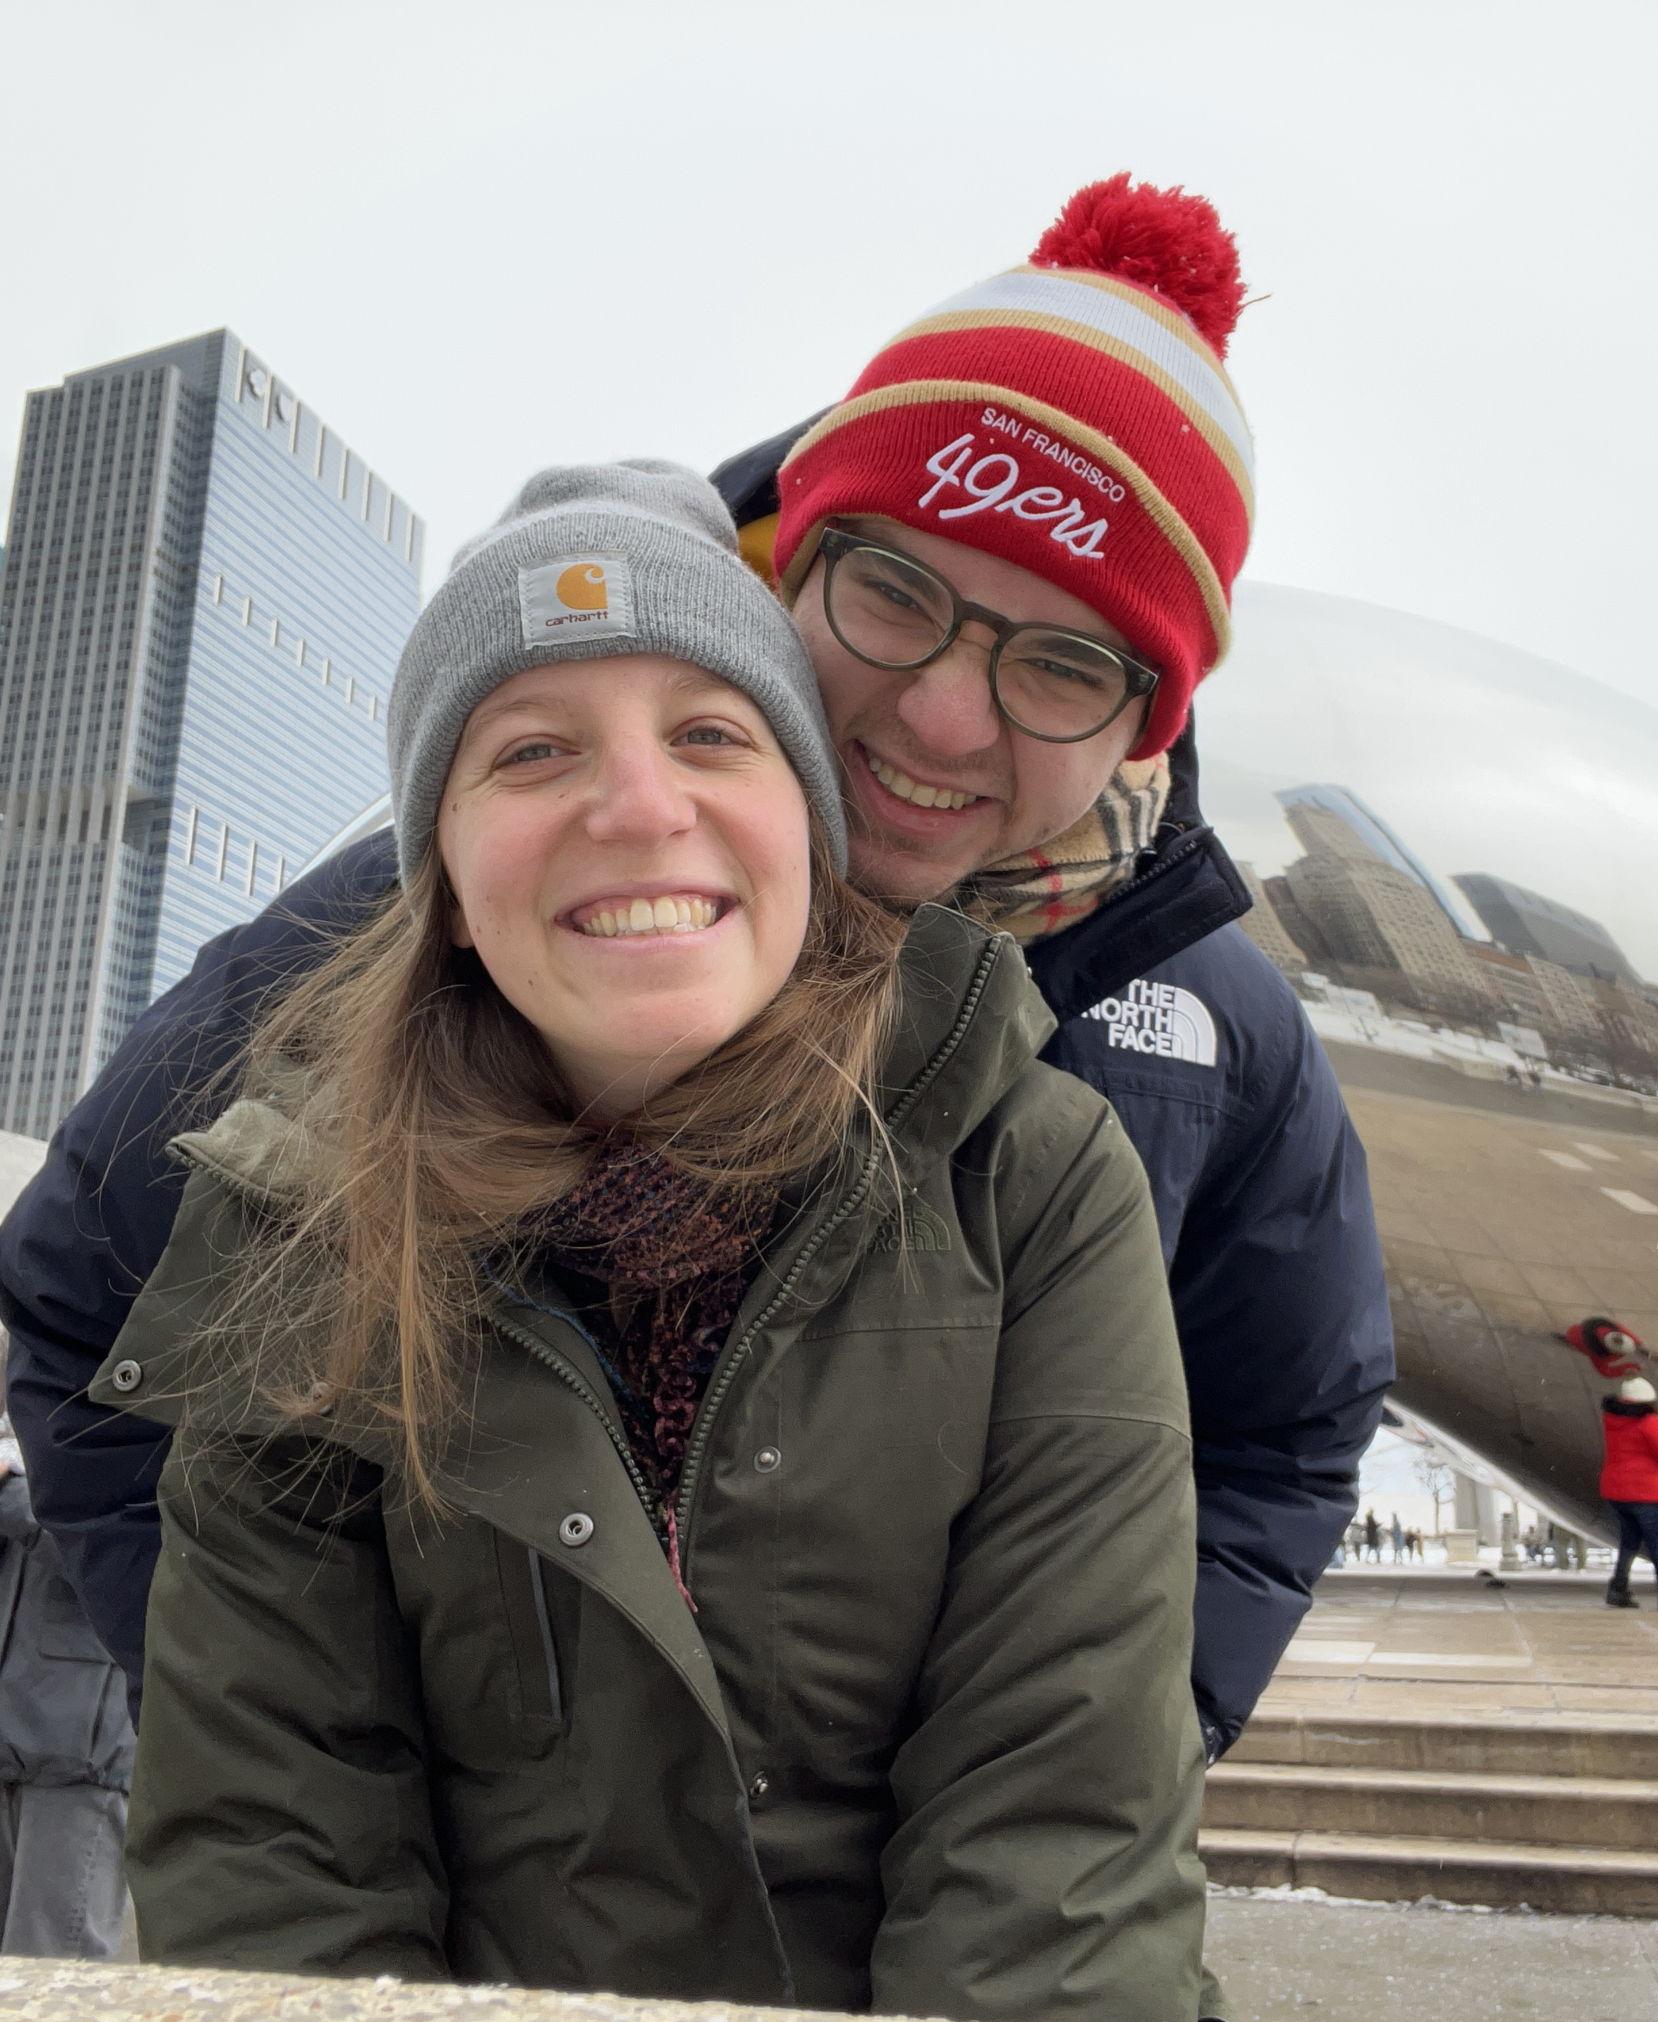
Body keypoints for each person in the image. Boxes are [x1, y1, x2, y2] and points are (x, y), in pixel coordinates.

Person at [0, 176, 1394, 1771]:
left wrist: (1127, 1756)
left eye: (1065, 660)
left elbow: (1279, 1422)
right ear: (792, 558)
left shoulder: (1207, 1021)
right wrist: (305, 1784)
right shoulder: (473, 897)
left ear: (1144, 718)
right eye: (893, 593)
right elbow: (88, 1295)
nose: (943, 721)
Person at [83, 466, 1205, 2022]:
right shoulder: (305, 1224)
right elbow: (281, 1860)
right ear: (448, 886)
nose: (636, 807)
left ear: (805, 827)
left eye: (709, 734)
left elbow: (1054, 1821)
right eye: (533, 751)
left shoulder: (1026, 1176)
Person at [1, 1397, 133, 1959]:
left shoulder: (139, 1423)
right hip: (16, 1734)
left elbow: (117, 1543)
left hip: (80, 1754)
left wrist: (11, 1489)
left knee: (54, 1967)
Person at [1597, 1375, 1658, 1612]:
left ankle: (1618, 1588)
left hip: (1617, 1491)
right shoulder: (1648, 1421)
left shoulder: (1612, 1419)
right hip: (1647, 1492)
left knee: (1629, 1541)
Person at [1556, 1314, 1645, 1378]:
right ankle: (1566, 1340)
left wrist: (1637, 1342)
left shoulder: (1604, 1328)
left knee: (1571, 1340)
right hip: (1578, 1342)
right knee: (1574, 1343)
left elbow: (1621, 1330)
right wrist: (1633, 1367)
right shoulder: (1599, 1356)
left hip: (1574, 1334)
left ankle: (1565, 1339)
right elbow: (1606, 1372)